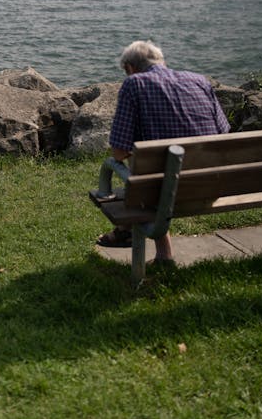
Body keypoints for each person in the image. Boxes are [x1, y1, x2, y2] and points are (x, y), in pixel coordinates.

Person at [97, 40, 230, 263]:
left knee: (146, 169)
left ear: (130, 68)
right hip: (211, 186)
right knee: (157, 166)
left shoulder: (134, 84)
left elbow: (118, 152)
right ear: (161, 61)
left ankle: (141, 240)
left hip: (168, 193)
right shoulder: (200, 81)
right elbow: (224, 134)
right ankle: (140, 240)